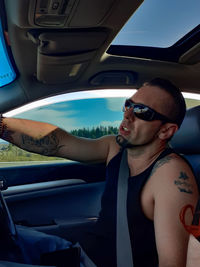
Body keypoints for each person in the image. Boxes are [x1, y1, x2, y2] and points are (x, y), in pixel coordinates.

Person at [0, 78, 198, 267]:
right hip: (79, 253)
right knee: (7, 238)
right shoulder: (116, 147)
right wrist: (2, 126)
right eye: (128, 105)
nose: (128, 115)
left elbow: (171, 263)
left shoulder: (171, 175)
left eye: (141, 111)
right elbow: (58, 143)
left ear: (166, 131)